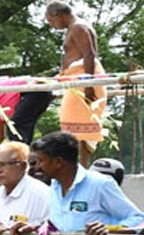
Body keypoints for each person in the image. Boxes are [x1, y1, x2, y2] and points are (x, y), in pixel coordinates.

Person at [46, 1, 106, 164]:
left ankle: (80, 169)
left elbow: (89, 55)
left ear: (57, 15)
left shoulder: (79, 27)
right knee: (71, 127)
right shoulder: (75, 27)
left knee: (79, 130)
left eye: (50, 21)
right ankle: (78, 168)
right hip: (77, 80)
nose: (52, 26)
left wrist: (88, 85)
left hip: (84, 80)